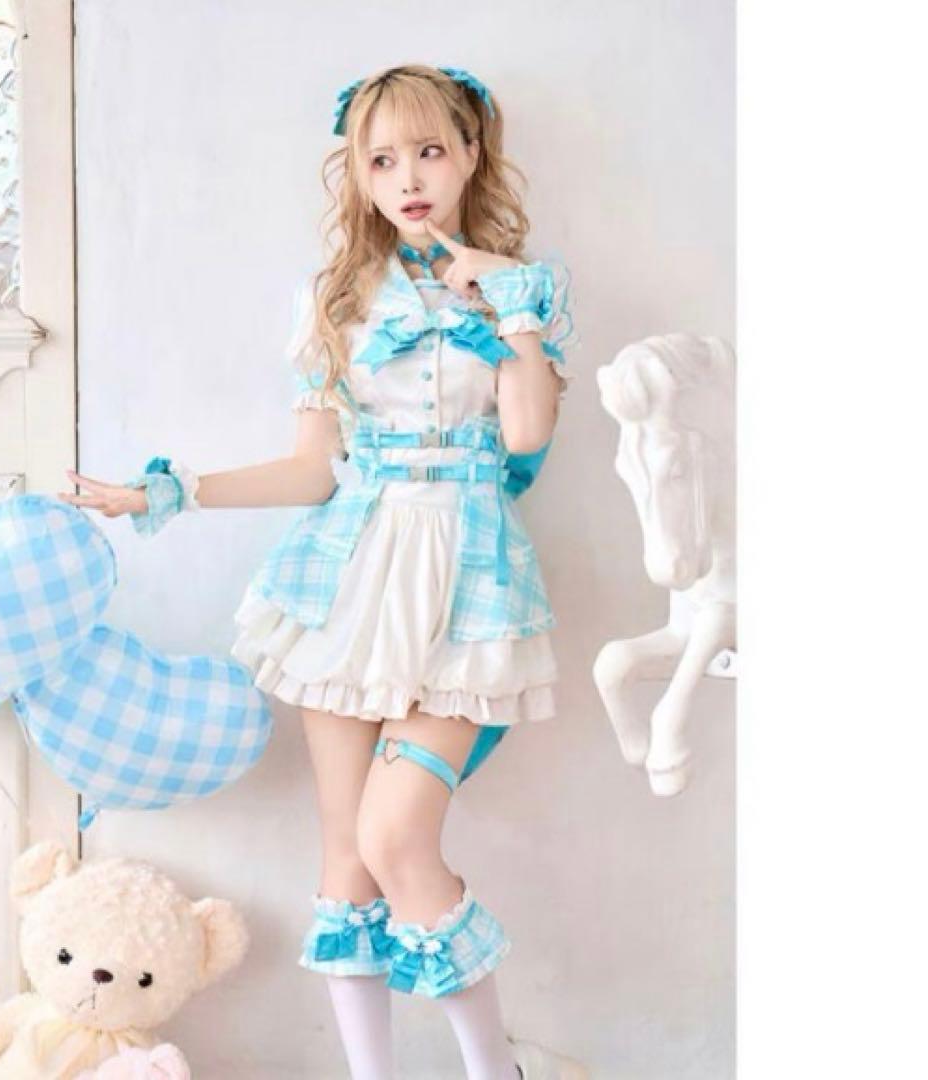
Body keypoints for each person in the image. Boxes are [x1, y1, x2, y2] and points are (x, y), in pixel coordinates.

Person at [60, 63, 586, 1080]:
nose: (408, 179)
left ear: (471, 153)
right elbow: (313, 470)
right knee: (347, 862)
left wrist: (513, 307)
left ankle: (498, 1072)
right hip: (347, 582)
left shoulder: (527, 287)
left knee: (397, 840)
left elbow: (525, 433)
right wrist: (166, 494)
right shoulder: (335, 298)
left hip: (468, 582)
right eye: (381, 160)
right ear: (359, 173)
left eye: (428, 151)